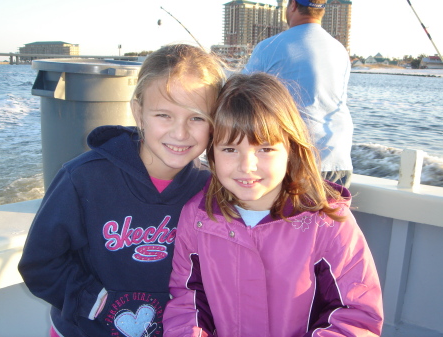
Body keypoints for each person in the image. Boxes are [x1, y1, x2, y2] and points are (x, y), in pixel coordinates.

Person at [18, 44, 226, 337]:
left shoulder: (210, 191)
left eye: (197, 117)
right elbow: (40, 263)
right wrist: (95, 302)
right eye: (164, 115)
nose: (180, 133)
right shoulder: (83, 178)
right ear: (137, 110)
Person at [163, 73, 383, 337]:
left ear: (290, 149)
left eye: (264, 149)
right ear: (211, 153)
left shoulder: (329, 224)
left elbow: (355, 316)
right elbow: (188, 303)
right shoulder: (196, 218)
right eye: (230, 150)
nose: (247, 166)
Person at [242, 0, 354, 188]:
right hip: (338, 159)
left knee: (292, 218)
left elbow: (238, 95)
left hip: (296, 160)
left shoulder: (270, 46)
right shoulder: (340, 50)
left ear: (293, 5)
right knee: (330, 217)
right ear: (322, 9)